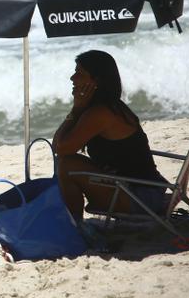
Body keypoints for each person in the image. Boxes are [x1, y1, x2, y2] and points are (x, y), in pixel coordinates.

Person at [53, 50, 166, 221]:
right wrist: (78, 109)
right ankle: (74, 223)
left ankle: (76, 227)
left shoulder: (101, 113)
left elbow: (60, 148)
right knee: (65, 163)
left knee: (66, 165)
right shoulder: (111, 106)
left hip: (142, 198)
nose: (72, 78)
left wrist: (75, 109)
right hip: (145, 191)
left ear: (96, 81)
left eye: (79, 73)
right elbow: (60, 147)